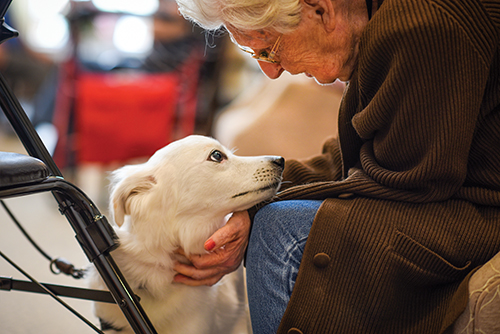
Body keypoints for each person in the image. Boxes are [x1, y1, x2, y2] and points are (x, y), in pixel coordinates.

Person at [171, 0, 500, 333]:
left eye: (269, 49)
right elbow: (356, 153)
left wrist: (259, 208)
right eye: (256, 56)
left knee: (279, 231)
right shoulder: (382, 23)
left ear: (320, 10)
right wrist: (256, 198)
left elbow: (408, 179)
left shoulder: (417, 23)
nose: (271, 72)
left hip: (483, 209)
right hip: (456, 195)